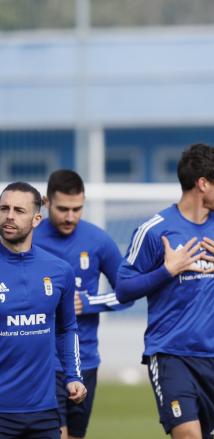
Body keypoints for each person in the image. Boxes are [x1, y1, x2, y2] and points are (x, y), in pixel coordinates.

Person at [115, 144, 214, 439]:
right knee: (189, 436)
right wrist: (167, 270)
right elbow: (123, 289)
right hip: (170, 353)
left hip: (213, 355)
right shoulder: (155, 230)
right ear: (203, 184)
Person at [34, 169, 130, 439]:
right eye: (63, 209)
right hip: (41, 360)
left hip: (85, 358)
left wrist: (88, 303)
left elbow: (128, 292)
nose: (70, 217)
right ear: (46, 202)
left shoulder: (98, 240)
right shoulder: (29, 239)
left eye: (77, 209)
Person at [0, 182, 86, 438]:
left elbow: (67, 328)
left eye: (18, 210)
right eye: (4, 209)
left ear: (37, 219)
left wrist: (73, 375)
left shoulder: (59, 271)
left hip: (45, 411)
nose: (9, 216)